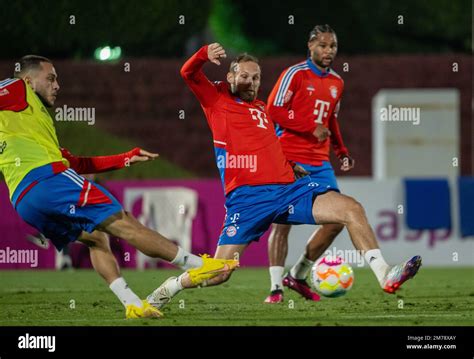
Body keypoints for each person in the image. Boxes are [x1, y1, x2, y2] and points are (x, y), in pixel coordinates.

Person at [146, 43, 421, 309]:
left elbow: (267, 146)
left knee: (351, 208)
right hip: (248, 199)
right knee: (220, 272)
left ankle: (385, 274)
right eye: (244, 76)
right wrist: (204, 53)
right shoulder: (216, 99)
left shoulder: (262, 109)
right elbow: (188, 73)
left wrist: (290, 164)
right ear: (230, 76)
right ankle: (171, 287)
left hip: (288, 189)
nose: (251, 82)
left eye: (256, 77)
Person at [0, 55, 238, 319]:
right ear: (28, 80)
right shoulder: (16, 88)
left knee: (96, 239)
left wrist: (125, 158)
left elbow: (77, 162)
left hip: (24, 199)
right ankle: (199, 265)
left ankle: (133, 304)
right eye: (51, 78)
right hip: (49, 180)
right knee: (125, 223)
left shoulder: (26, 124)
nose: (57, 85)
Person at [264, 24, 354, 303]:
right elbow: (273, 110)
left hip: (320, 161)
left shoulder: (338, 82)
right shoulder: (295, 74)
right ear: (311, 45)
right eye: (323, 46)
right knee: (282, 223)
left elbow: (330, 120)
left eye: (333, 46)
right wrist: (307, 127)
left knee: (337, 219)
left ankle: (298, 274)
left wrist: (341, 150)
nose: (329, 51)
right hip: (289, 156)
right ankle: (276, 288)